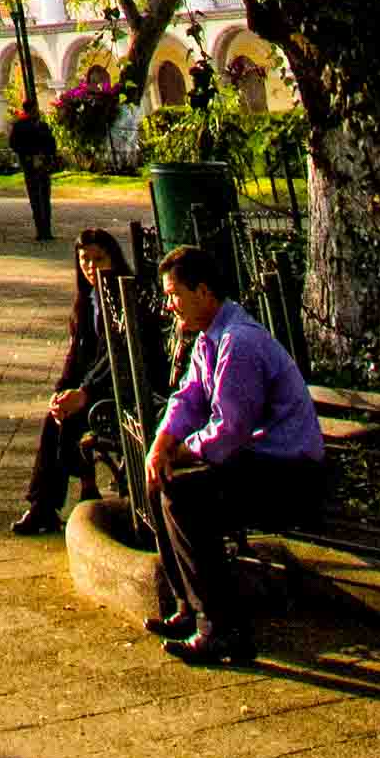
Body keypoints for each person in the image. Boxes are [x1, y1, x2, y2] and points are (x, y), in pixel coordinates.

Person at [144, 245, 324, 665]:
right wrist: (161, 445)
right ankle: (189, 607)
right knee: (161, 483)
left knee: (185, 499)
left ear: (203, 291)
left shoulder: (238, 343)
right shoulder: (210, 338)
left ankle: (223, 630)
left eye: (174, 295)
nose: (170, 307)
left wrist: (182, 453)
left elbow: (229, 428)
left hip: (290, 473)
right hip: (257, 462)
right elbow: (188, 395)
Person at [12, 228, 133, 535]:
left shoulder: (123, 298)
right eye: (85, 260)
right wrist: (60, 392)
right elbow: (75, 358)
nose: (92, 267)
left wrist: (83, 393)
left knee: (70, 418)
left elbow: (115, 358)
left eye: (98, 259)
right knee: (56, 416)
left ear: (113, 258)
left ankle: (63, 497)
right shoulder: (87, 300)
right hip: (94, 385)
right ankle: (44, 505)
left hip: (121, 387)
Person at [9, 103, 59, 241]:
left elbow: (14, 144)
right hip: (34, 163)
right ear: (31, 111)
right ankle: (43, 230)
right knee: (40, 198)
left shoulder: (37, 126)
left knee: (40, 198)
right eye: (35, 110)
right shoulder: (26, 126)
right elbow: (15, 144)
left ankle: (44, 230)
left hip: (37, 164)